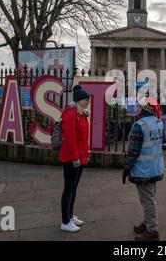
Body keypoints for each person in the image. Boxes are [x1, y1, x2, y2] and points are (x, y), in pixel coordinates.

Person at [123, 97, 164, 241]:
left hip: (143, 169)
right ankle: (147, 223)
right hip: (156, 167)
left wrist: (127, 166)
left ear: (144, 109)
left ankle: (152, 231)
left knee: (147, 200)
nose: (137, 108)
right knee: (149, 198)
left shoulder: (139, 125)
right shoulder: (159, 123)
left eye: (139, 106)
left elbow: (133, 150)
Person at [59, 85, 91, 233]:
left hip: (80, 156)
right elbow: (70, 139)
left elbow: (82, 139)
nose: (88, 102)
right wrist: (75, 158)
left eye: (88, 99)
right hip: (71, 158)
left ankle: (70, 216)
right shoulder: (71, 114)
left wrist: (86, 153)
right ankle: (65, 221)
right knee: (69, 189)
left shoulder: (81, 114)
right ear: (78, 100)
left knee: (74, 188)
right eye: (86, 99)